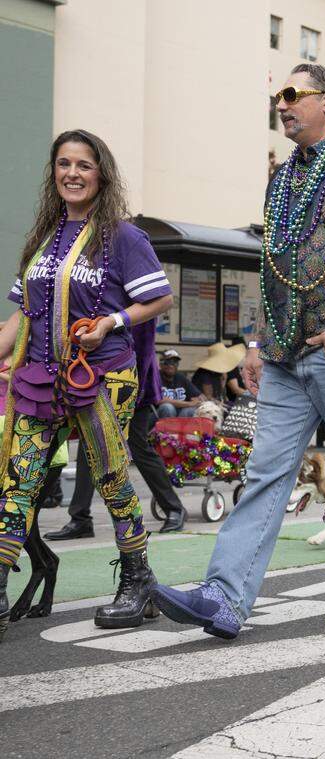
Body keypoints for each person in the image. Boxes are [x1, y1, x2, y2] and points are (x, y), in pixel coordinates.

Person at [152, 63, 325, 638]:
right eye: (277, 97)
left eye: (293, 94)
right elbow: (274, 268)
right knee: (266, 472)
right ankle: (224, 597)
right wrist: (255, 342)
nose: (282, 104)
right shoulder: (283, 180)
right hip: (285, 357)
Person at [0, 129, 173, 634]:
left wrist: (110, 323)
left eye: (84, 165)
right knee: (17, 483)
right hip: (36, 378)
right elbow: (19, 317)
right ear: (53, 173)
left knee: (111, 477)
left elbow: (158, 298)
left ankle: (138, 581)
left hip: (102, 376)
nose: (72, 173)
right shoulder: (43, 237)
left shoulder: (122, 237)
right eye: (63, 164)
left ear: (101, 175)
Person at [46, 321, 187, 539]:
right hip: (96, 381)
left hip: (133, 385)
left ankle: (174, 509)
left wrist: (136, 393)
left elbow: (144, 348)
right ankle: (80, 518)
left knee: (139, 449)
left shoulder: (132, 303)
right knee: (88, 446)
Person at [157, 349, 204, 418]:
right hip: (159, 416)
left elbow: (199, 396)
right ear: (161, 364)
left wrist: (199, 401)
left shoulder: (181, 377)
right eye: (167, 362)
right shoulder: (155, 377)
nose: (171, 365)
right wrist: (188, 404)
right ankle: (169, 429)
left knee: (192, 410)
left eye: (174, 362)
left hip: (180, 414)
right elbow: (159, 400)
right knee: (168, 407)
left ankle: (183, 429)